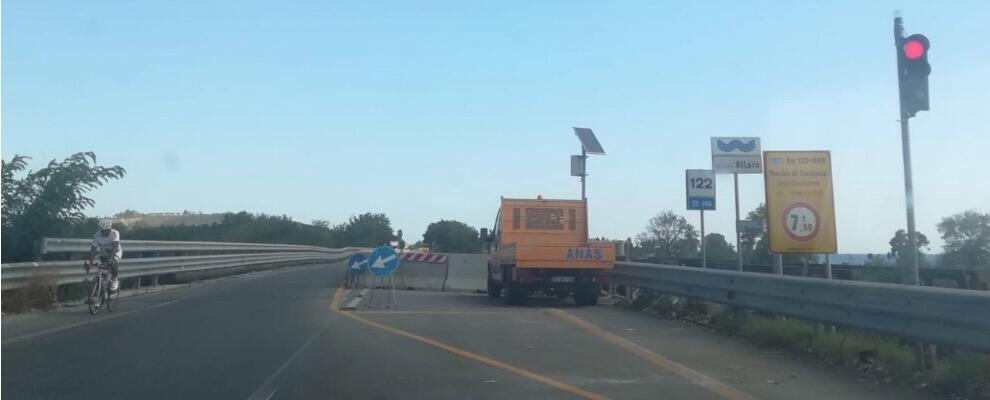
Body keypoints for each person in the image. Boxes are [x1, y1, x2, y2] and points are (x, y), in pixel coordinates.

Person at [86, 219, 123, 293]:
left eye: (106, 230)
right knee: (103, 271)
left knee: (112, 262)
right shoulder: (97, 236)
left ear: (110, 229)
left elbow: (115, 247)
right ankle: (103, 289)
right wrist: (90, 262)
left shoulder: (115, 233)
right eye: (102, 231)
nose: (104, 232)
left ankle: (115, 279)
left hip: (115, 252)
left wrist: (111, 258)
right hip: (104, 254)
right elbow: (93, 250)